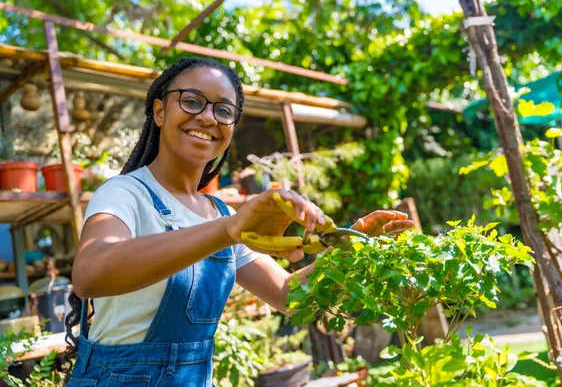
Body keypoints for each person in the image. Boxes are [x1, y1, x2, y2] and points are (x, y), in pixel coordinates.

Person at [64, 57, 414, 387]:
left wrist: (351, 245)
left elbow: (290, 296)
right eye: (191, 101)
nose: (207, 117)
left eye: (223, 110)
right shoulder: (125, 193)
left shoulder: (220, 213)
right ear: (159, 110)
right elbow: (90, 274)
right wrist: (227, 232)